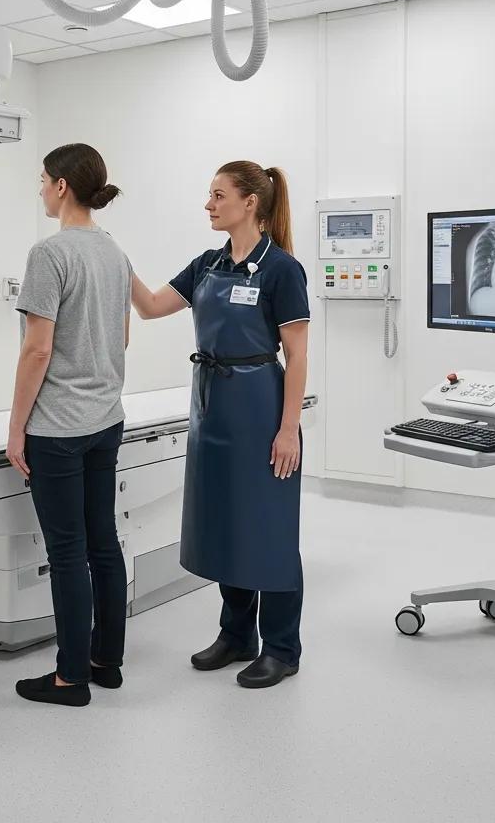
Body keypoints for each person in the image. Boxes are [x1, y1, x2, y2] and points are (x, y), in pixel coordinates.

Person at [130, 161, 309, 690]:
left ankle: (281, 646)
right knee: (226, 520)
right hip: (211, 406)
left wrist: (288, 429)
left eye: (217, 195)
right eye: (209, 196)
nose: (208, 204)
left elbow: (297, 356)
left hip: (259, 406)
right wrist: (114, 260)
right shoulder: (208, 264)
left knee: (269, 528)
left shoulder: (281, 269)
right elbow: (151, 306)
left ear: (249, 202)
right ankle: (236, 635)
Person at [7, 143, 132, 708]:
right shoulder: (113, 253)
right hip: (106, 421)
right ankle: (106, 663)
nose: (39, 190)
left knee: (67, 553)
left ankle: (69, 678)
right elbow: (122, 336)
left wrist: (16, 430)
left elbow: (37, 351)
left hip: (56, 429)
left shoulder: (49, 254)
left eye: (42, 180)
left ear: (61, 187)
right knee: (103, 544)